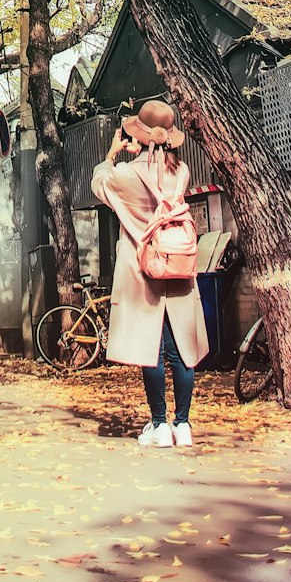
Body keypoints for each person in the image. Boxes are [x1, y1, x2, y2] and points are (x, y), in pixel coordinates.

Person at [91, 99, 208, 448]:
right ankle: (183, 425)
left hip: (142, 268)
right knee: (182, 349)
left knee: (152, 349)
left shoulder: (126, 175)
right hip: (178, 263)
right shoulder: (182, 172)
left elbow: (99, 185)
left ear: (139, 136)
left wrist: (111, 154)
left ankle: (159, 426)